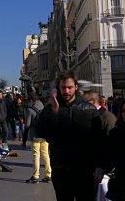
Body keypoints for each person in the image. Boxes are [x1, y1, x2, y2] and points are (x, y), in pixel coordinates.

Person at [37, 70, 99, 201]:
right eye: (63, 88)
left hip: (84, 168)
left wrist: (100, 165)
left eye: (70, 87)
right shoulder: (51, 109)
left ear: (76, 87)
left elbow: (99, 139)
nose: (66, 91)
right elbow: (42, 133)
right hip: (61, 168)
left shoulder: (88, 109)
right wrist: (54, 112)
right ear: (58, 88)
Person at [25, 94, 51, 184]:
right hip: (44, 136)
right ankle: (48, 175)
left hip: (35, 136)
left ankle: (35, 176)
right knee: (46, 155)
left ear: (32, 100)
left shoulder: (30, 110)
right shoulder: (45, 108)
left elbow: (27, 125)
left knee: (36, 156)